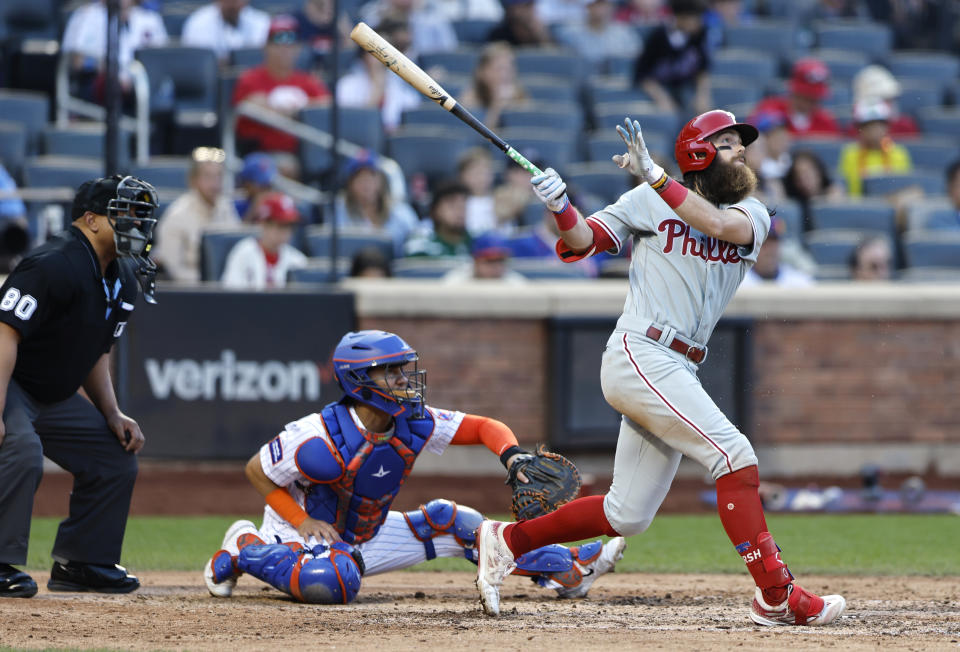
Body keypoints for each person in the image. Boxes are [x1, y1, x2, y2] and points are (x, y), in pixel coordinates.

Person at [472, 110, 847, 627]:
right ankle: (776, 595)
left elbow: (716, 224)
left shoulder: (754, 212)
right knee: (734, 455)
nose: (742, 152)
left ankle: (507, 539)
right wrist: (560, 206)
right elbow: (582, 242)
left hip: (680, 365)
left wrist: (655, 174)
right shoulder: (645, 200)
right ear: (699, 151)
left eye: (742, 144)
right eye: (729, 143)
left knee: (628, 514)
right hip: (640, 352)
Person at [202, 329, 626, 604]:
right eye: (391, 372)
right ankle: (244, 547)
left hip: (367, 535)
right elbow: (257, 470)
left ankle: (565, 568)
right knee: (333, 583)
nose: (404, 380)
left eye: (402, 369)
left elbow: (483, 427)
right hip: (301, 535)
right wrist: (301, 518)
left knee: (453, 520)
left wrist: (511, 454)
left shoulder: (413, 421)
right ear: (360, 381)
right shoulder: (317, 434)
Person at [0, 175, 160, 598]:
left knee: (113, 455)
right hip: (9, 381)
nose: (136, 225)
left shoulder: (122, 276)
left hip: (50, 393)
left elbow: (95, 353)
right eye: (124, 214)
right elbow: (4, 334)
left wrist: (112, 413)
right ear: (90, 220)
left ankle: (83, 562)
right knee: (22, 451)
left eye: (139, 215)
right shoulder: (51, 263)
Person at [232, 15, 330, 176]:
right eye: (277, 42)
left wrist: (294, 110)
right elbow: (242, 110)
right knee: (285, 165)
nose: (284, 49)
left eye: (290, 43)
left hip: (304, 153)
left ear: (298, 48)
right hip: (260, 153)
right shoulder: (250, 79)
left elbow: (326, 106)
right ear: (266, 47)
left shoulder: (308, 82)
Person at [153, 147, 240, 283]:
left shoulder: (226, 206)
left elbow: (237, 249)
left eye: (219, 176)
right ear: (193, 180)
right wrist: (210, 284)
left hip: (227, 286)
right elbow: (173, 270)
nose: (215, 183)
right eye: (208, 176)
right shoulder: (176, 215)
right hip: (191, 292)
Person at [61, 0, 168, 105]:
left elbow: (164, 59)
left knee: (164, 86)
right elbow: (76, 62)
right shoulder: (87, 15)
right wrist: (107, 67)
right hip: (100, 82)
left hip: (144, 82)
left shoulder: (150, 18)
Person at [337, 15, 422, 131]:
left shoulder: (404, 90)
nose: (382, 58)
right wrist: (376, 92)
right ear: (363, 56)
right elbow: (353, 129)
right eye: (376, 53)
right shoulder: (346, 86)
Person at [631, 0, 711, 118]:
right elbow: (642, 75)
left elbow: (703, 69)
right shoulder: (658, 37)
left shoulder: (699, 34)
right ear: (680, 17)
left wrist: (702, 96)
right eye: (695, 18)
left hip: (686, 88)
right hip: (659, 88)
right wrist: (661, 98)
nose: (699, 22)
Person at [334, 153, 420, 257]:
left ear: (381, 180)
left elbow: (417, 243)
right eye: (360, 178)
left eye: (371, 176)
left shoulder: (402, 213)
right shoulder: (339, 211)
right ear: (350, 184)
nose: (366, 184)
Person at [221, 192, 308, 289]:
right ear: (264, 224)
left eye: (289, 226)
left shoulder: (297, 260)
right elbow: (230, 296)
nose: (286, 232)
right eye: (281, 225)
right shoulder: (243, 253)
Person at [838, 99, 913, 198]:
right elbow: (844, 188)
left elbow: (904, 187)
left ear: (887, 127)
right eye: (868, 125)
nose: (874, 130)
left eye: (879, 124)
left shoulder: (898, 153)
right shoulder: (850, 154)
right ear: (859, 129)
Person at [750, 59, 841, 137]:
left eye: (815, 98)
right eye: (806, 96)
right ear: (795, 91)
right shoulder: (770, 109)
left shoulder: (825, 122)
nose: (811, 102)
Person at [460, 41, 528, 130]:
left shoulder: (519, 95)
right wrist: (496, 105)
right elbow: (480, 137)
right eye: (499, 69)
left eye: (509, 68)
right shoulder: (470, 97)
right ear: (482, 72)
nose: (505, 75)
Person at [555, 0, 642, 69]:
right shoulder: (570, 33)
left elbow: (637, 57)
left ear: (611, 7)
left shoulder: (624, 32)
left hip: (616, 82)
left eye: (604, 5)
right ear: (588, 7)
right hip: (583, 81)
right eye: (596, 5)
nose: (600, 10)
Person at [181, 0, 270, 63]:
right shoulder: (198, 22)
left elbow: (262, 60)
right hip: (213, 81)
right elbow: (198, 62)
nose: (232, 4)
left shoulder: (261, 21)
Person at [739, 216, 815, 288]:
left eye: (774, 243)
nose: (770, 250)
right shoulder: (738, 283)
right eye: (764, 244)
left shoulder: (799, 282)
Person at [404, 181, 472, 257]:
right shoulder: (421, 241)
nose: (459, 210)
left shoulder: (476, 242)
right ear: (435, 210)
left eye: (463, 205)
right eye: (452, 205)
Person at [782, 150, 844, 232]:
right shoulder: (794, 204)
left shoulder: (833, 193)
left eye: (807, 173)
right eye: (798, 176)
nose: (803, 179)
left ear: (818, 172)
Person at [850, 65, 919, 138]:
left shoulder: (905, 126)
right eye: (882, 100)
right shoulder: (855, 130)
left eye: (889, 99)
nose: (888, 104)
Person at [442, 231, 527, 283]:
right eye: (490, 261)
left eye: (500, 261)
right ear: (475, 261)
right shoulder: (456, 281)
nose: (496, 267)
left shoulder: (515, 283)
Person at [487, 0, 553, 47]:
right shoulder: (498, 34)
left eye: (529, 5)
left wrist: (540, 34)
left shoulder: (540, 29)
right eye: (524, 6)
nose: (528, 10)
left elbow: (552, 57)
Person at [234, 152, 278, 223]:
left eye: (268, 185)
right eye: (262, 186)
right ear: (247, 184)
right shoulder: (236, 206)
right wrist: (253, 211)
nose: (266, 190)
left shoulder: (276, 204)